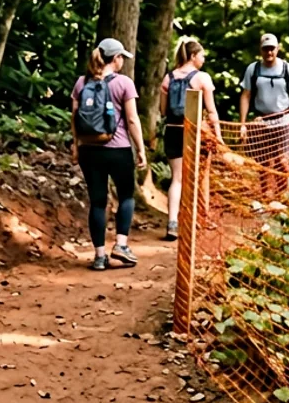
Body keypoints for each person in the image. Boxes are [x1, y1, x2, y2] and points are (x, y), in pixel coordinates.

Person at [72, 38, 148, 270]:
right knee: (126, 196)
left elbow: (74, 117)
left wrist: (76, 145)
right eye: (122, 57)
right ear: (115, 59)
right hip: (118, 149)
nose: (123, 61)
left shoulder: (81, 82)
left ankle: (99, 256)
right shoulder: (124, 83)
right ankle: (121, 245)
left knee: (97, 201)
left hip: (89, 150)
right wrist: (141, 149)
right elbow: (132, 120)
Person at [159, 39, 222, 241]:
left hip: (172, 131)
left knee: (176, 179)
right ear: (193, 56)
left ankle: (172, 223)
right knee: (197, 178)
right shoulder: (202, 78)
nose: (203, 60)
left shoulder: (168, 79)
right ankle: (196, 220)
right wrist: (218, 136)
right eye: (202, 55)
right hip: (194, 134)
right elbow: (211, 111)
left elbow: (162, 110)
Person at [238, 33, 289, 195]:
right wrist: (243, 124)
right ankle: (266, 195)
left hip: (283, 121)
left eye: (272, 49)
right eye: (266, 49)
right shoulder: (253, 69)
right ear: (260, 50)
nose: (269, 53)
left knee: (282, 161)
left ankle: (283, 195)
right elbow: (246, 95)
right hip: (262, 121)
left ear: (278, 49)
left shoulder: (288, 70)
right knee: (264, 162)